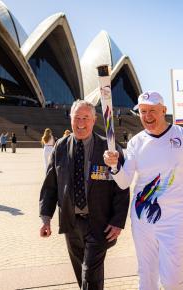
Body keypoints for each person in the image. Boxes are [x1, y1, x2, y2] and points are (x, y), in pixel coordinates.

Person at [103, 91, 183, 290]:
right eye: (143, 111)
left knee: (172, 278)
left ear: (164, 111)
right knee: (147, 275)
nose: (148, 116)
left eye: (152, 110)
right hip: (142, 217)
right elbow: (124, 182)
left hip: (176, 217)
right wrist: (115, 166)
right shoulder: (136, 142)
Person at [39, 100, 129, 290]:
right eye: (77, 118)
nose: (81, 123)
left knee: (90, 272)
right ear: (70, 119)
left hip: (99, 223)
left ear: (94, 119)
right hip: (71, 223)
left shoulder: (109, 149)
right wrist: (46, 218)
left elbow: (121, 188)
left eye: (86, 118)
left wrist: (118, 221)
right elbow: (50, 186)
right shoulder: (60, 147)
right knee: (84, 273)